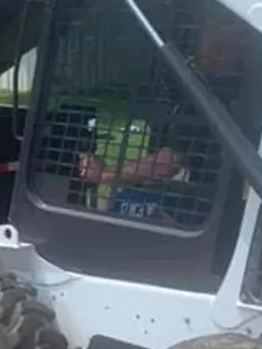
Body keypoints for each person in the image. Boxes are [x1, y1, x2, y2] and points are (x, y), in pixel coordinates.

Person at [74, 13, 247, 226]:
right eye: (207, 23)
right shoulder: (187, 83)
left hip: (208, 205)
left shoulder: (219, 95)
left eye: (220, 25)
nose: (206, 32)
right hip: (193, 196)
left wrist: (106, 174)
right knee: (115, 202)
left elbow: (168, 163)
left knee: (121, 204)